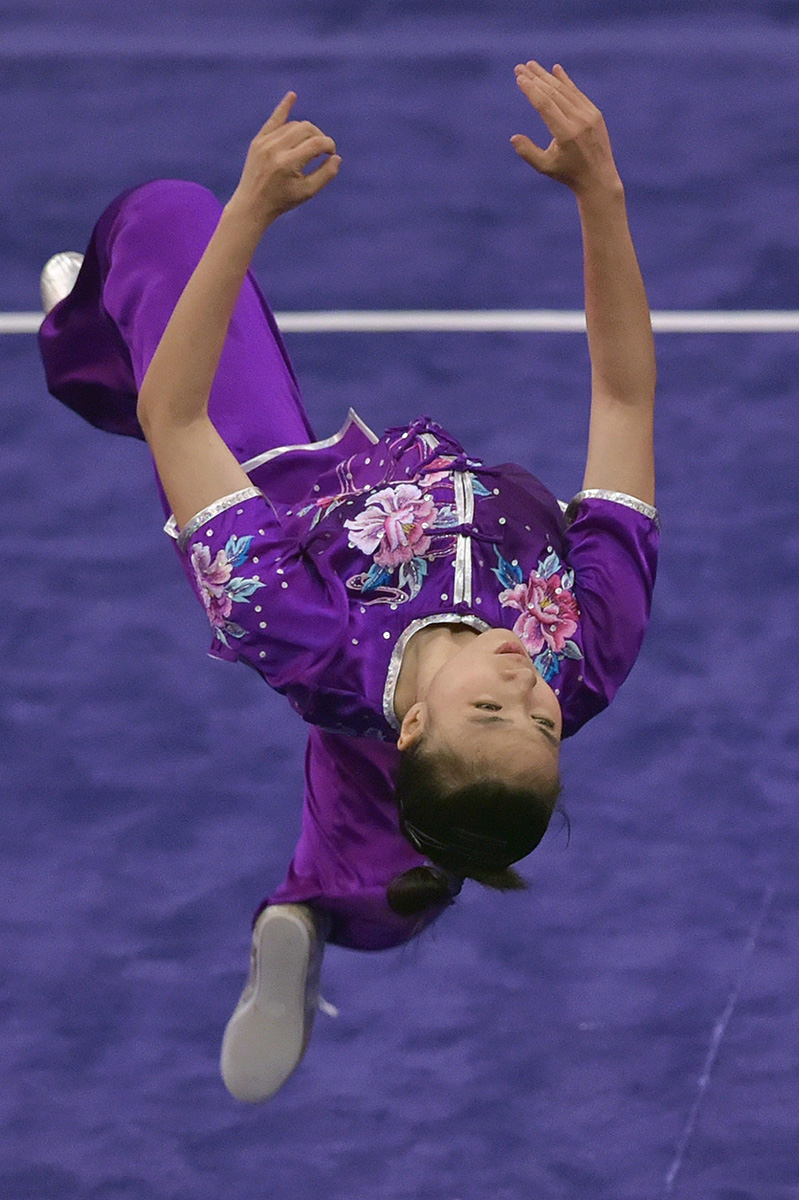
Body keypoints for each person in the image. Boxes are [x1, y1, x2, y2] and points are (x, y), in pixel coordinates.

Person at [39, 61, 658, 1102]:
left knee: (172, 220)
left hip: (287, 505)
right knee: (439, 826)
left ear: (416, 724)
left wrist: (249, 214)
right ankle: (329, 905)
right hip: (398, 645)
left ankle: (93, 341)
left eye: (494, 706)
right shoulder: (588, 648)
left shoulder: (287, 616)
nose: (523, 675)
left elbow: (177, 421)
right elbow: (625, 397)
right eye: (543, 722)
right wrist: (603, 191)